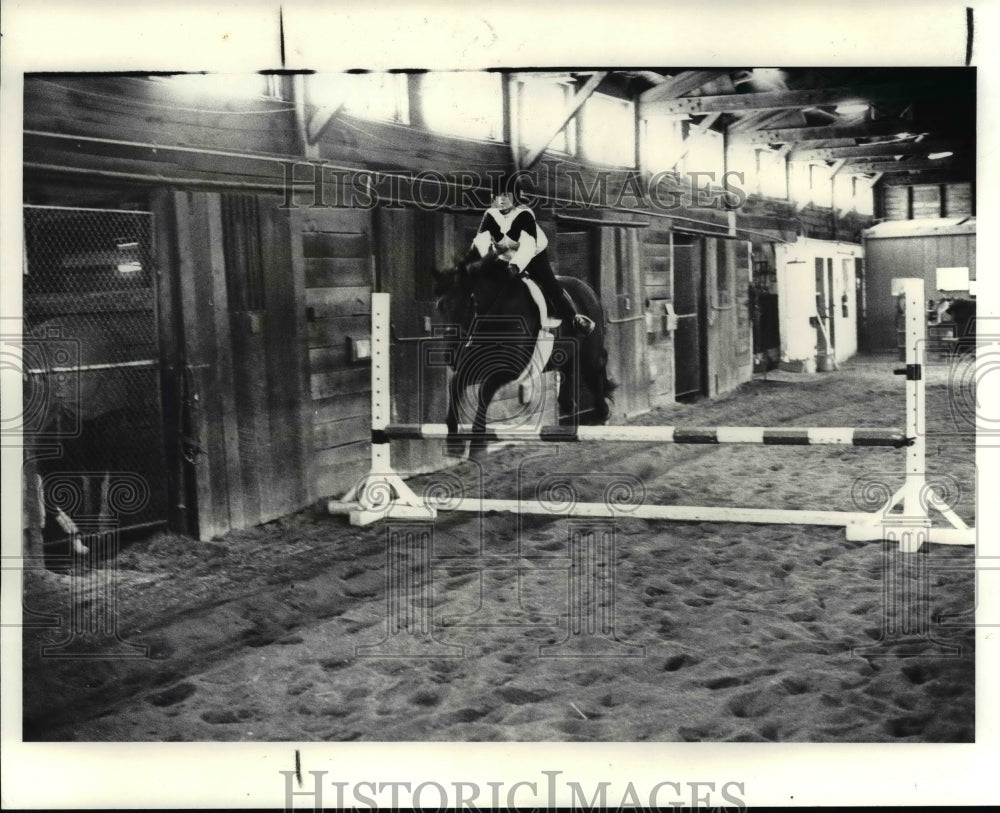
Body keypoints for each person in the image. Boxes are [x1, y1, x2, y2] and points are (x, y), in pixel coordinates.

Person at [468, 192, 596, 335]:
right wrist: (482, 260)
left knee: (550, 283)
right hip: (504, 258)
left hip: (533, 254)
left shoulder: (524, 214)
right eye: (496, 198)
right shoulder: (489, 215)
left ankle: (574, 318)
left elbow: (528, 246)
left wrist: (515, 266)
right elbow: (480, 240)